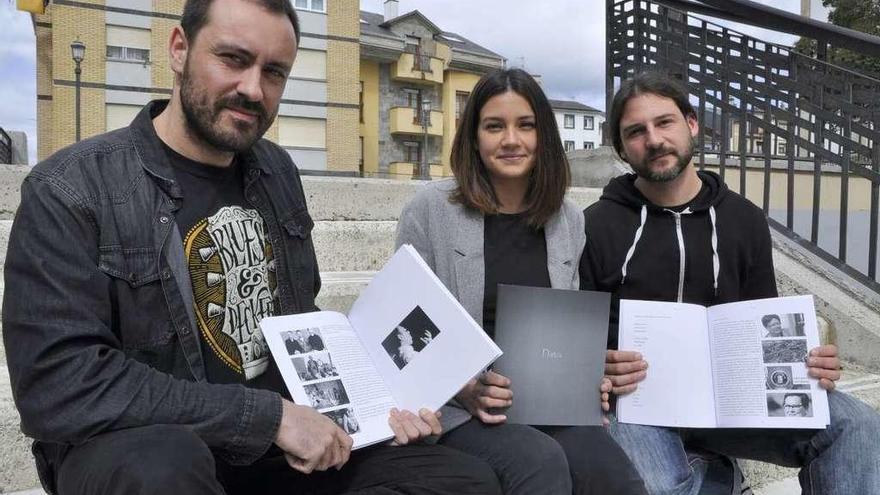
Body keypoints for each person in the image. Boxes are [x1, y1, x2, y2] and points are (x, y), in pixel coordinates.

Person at [1, 1, 504, 494]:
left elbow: (300, 320)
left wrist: (377, 405)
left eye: (274, 72)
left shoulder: (276, 172)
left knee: (459, 479)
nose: (252, 89)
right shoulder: (71, 187)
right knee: (165, 465)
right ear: (179, 49)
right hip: (145, 450)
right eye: (233, 59)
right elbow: (56, 384)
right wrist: (266, 418)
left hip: (275, 449)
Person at [580, 71, 880, 494]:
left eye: (664, 122)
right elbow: (577, 335)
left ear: (692, 123)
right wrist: (599, 362)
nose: (654, 139)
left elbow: (764, 322)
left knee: (859, 427)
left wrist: (805, 365)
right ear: (622, 149)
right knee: (659, 485)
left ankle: (711, 465)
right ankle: (711, 473)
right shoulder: (596, 224)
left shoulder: (743, 219)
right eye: (636, 131)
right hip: (638, 402)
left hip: (732, 401)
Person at [397, 68, 647, 495]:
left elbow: (562, 332)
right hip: (461, 409)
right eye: (495, 126)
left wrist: (586, 380)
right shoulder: (429, 211)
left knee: (615, 473)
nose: (511, 140)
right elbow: (399, 329)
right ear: (474, 136)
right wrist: (466, 387)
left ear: (543, 136)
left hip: (545, 403)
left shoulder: (567, 219)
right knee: (538, 462)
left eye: (525, 126)